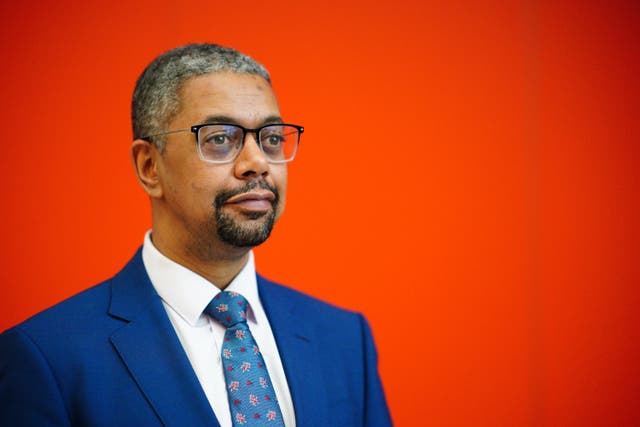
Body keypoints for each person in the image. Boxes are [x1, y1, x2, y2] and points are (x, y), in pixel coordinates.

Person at [0, 44, 392, 426]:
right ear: (150, 166)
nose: (257, 162)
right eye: (221, 138)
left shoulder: (343, 340)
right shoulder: (49, 358)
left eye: (271, 138)